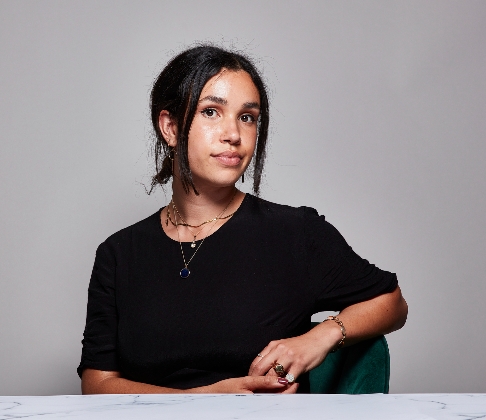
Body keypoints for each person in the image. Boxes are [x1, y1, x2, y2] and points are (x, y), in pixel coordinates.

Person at [78, 45, 408, 394]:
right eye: (211, 112)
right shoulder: (119, 253)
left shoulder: (294, 233)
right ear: (170, 127)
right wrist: (201, 401)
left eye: (247, 117)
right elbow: (97, 383)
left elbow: (392, 302)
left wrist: (320, 336)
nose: (233, 134)